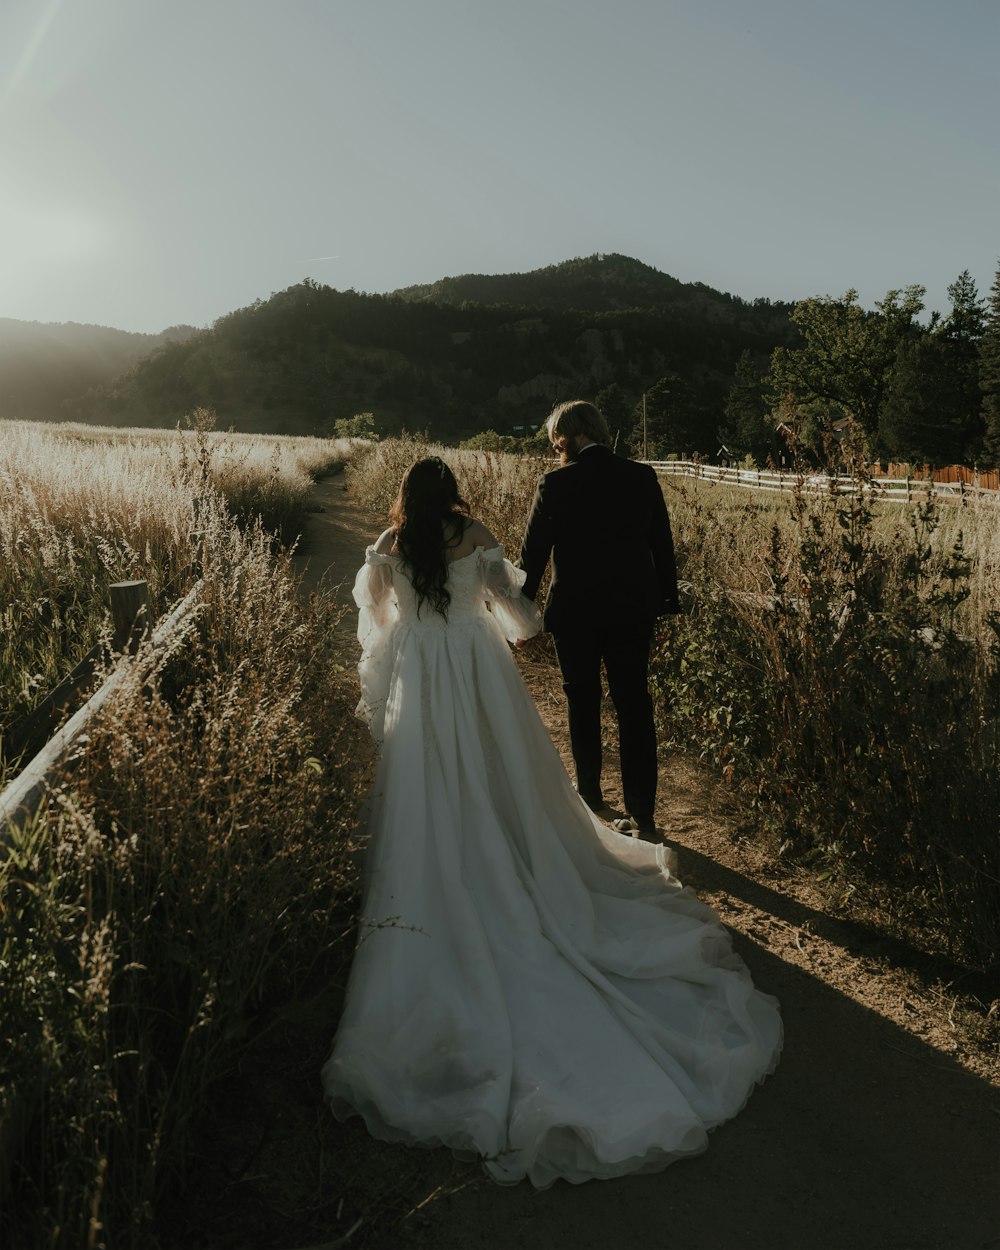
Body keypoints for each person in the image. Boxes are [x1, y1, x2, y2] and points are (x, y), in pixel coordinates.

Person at [322, 455, 780, 1189]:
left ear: (406, 498)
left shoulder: (387, 549)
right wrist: (501, 610)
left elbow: (376, 628)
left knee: (433, 786)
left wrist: (410, 641)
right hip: (475, 668)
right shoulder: (474, 536)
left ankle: (444, 879)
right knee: (507, 778)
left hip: (423, 674)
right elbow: (520, 617)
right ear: (452, 495)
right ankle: (517, 863)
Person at [518, 400, 678, 838]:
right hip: (632, 610)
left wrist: (517, 613)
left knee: (582, 700)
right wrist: (665, 600)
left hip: (575, 613)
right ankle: (643, 816)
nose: (555, 448)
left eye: (556, 439)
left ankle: (589, 795)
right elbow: (661, 546)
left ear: (572, 434)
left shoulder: (554, 485)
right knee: (634, 705)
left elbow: (532, 561)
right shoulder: (641, 477)